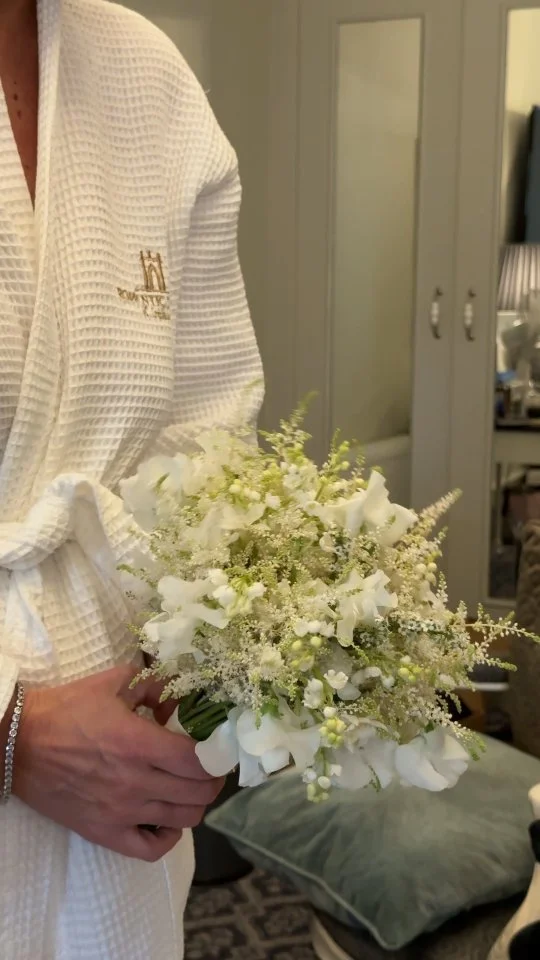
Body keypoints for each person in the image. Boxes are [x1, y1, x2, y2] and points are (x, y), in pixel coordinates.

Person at [0, 0, 264, 956]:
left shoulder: (146, 72)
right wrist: (10, 733)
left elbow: (209, 435)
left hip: (119, 796)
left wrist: (211, 672)